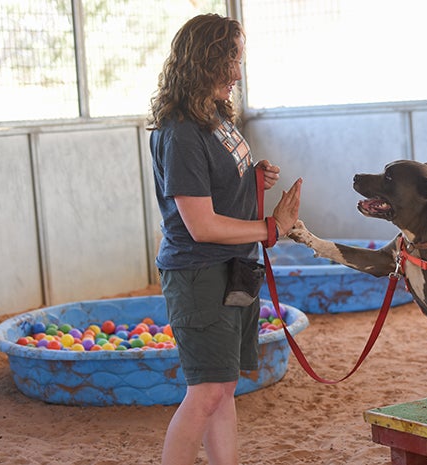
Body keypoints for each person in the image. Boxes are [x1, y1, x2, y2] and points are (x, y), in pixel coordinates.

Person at [147, 14, 302, 465]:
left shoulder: (213, 115)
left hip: (233, 268)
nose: (238, 71)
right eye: (232, 58)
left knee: (223, 388)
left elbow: (216, 191)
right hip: (199, 273)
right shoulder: (181, 131)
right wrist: (271, 229)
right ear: (206, 60)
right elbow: (201, 225)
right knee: (207, 392)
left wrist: (252, 178)